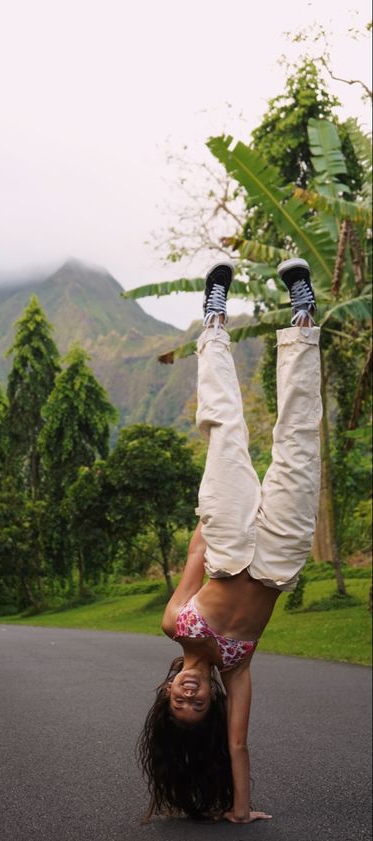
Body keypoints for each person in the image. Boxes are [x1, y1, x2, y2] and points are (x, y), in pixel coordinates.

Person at [138, 258, 321, 824]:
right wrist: (241, 809)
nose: (190, 695)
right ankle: (303, 318)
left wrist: (211, 506)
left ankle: (213, 322)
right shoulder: (237, 672)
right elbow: (237, 748)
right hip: (279, 558)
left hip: (227, 537)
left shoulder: (175, 624)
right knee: (299, 440)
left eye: (178, 701)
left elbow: (195, 557)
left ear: (168, 689)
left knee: (224, 428)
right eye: (196, 704)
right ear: (212, 701)